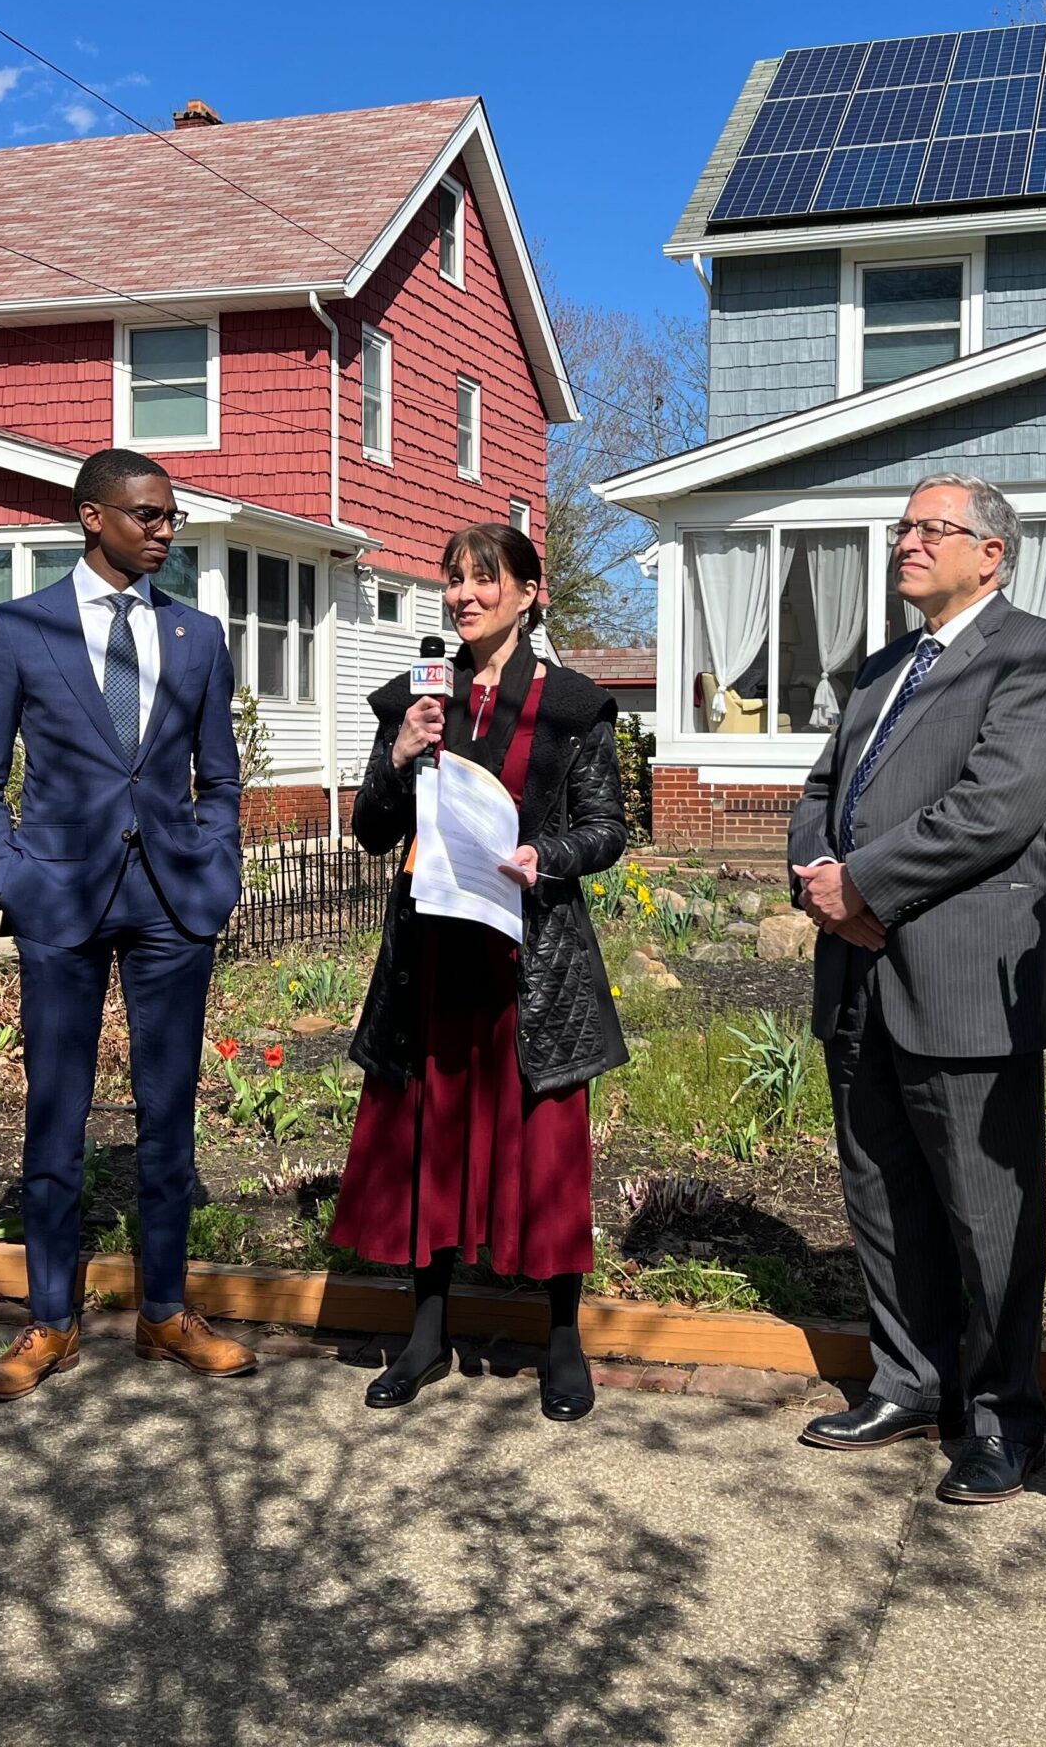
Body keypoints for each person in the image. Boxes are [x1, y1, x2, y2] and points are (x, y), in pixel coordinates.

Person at [788, 472, 1046, 1504]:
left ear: (990, 553)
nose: (906, 541)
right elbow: (823, 788)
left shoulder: (1039, 658)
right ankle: (909, 1382)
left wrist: (864, 884)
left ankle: (1005, 1418)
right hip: (858, 967)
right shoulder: (877, 671)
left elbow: (995, 810)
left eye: (931, 529)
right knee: (879, 1190)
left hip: (961, 974)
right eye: (903, 527)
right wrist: (820, 884)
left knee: (984, 1215)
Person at [0, 447, 256, 1398]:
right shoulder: (18, 629)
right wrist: (7, 872)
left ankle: (165, 1312)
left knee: (169, 1113)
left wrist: (219, 861)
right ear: (93, 517)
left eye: (170, 516)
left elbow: (223, 774)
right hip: (61, 898)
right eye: (146, 515)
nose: (164, 529)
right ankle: (50, 1321)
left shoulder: (198, 636)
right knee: (57, 1110)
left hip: (172, 901)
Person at [329, 523, 628, 1422]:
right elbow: (374, 831)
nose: (463, 595)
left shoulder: (573, 706)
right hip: (432, 957)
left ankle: (562, 1337)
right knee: (432, 1134)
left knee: (540, 1144)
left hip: (529, 956)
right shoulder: (417, 699)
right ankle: (426, 1332)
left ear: (530, 592)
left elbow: (608, 826)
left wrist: (552, 854)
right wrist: (397, 756)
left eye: (483, 580)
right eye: (453, 580)